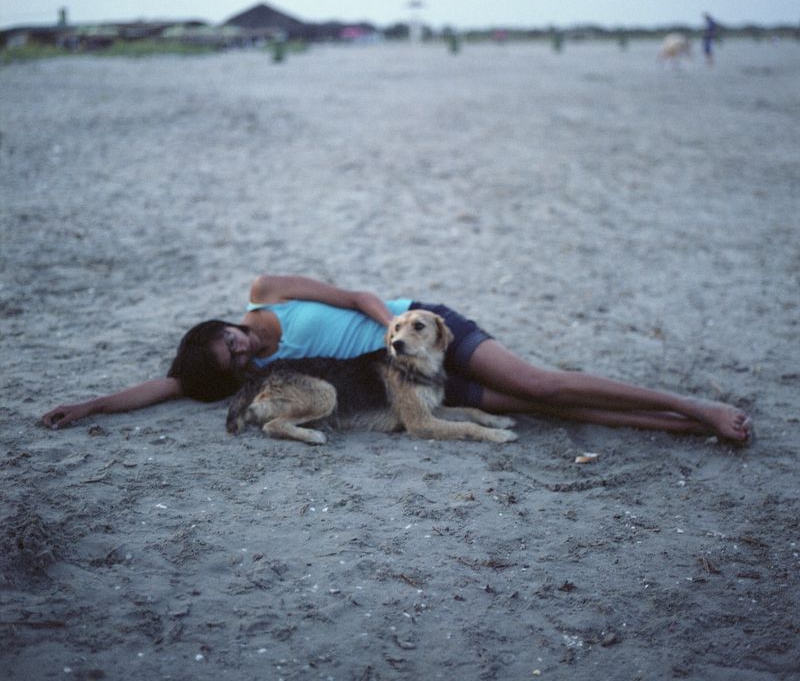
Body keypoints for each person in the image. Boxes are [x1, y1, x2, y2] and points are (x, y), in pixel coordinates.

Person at [40, 274, 753, 444]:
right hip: (400, 380)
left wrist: (395, 331)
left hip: (421, 335)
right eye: (237, 360)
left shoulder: (266, 294)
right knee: (537, 409)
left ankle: (695, 406)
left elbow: (355, 294)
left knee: (537, 380)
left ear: (227, 322)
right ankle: (677, 427)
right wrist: (94, 403)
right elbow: (170, 383)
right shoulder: (241, 368)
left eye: (236, 340)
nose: (246, 350)